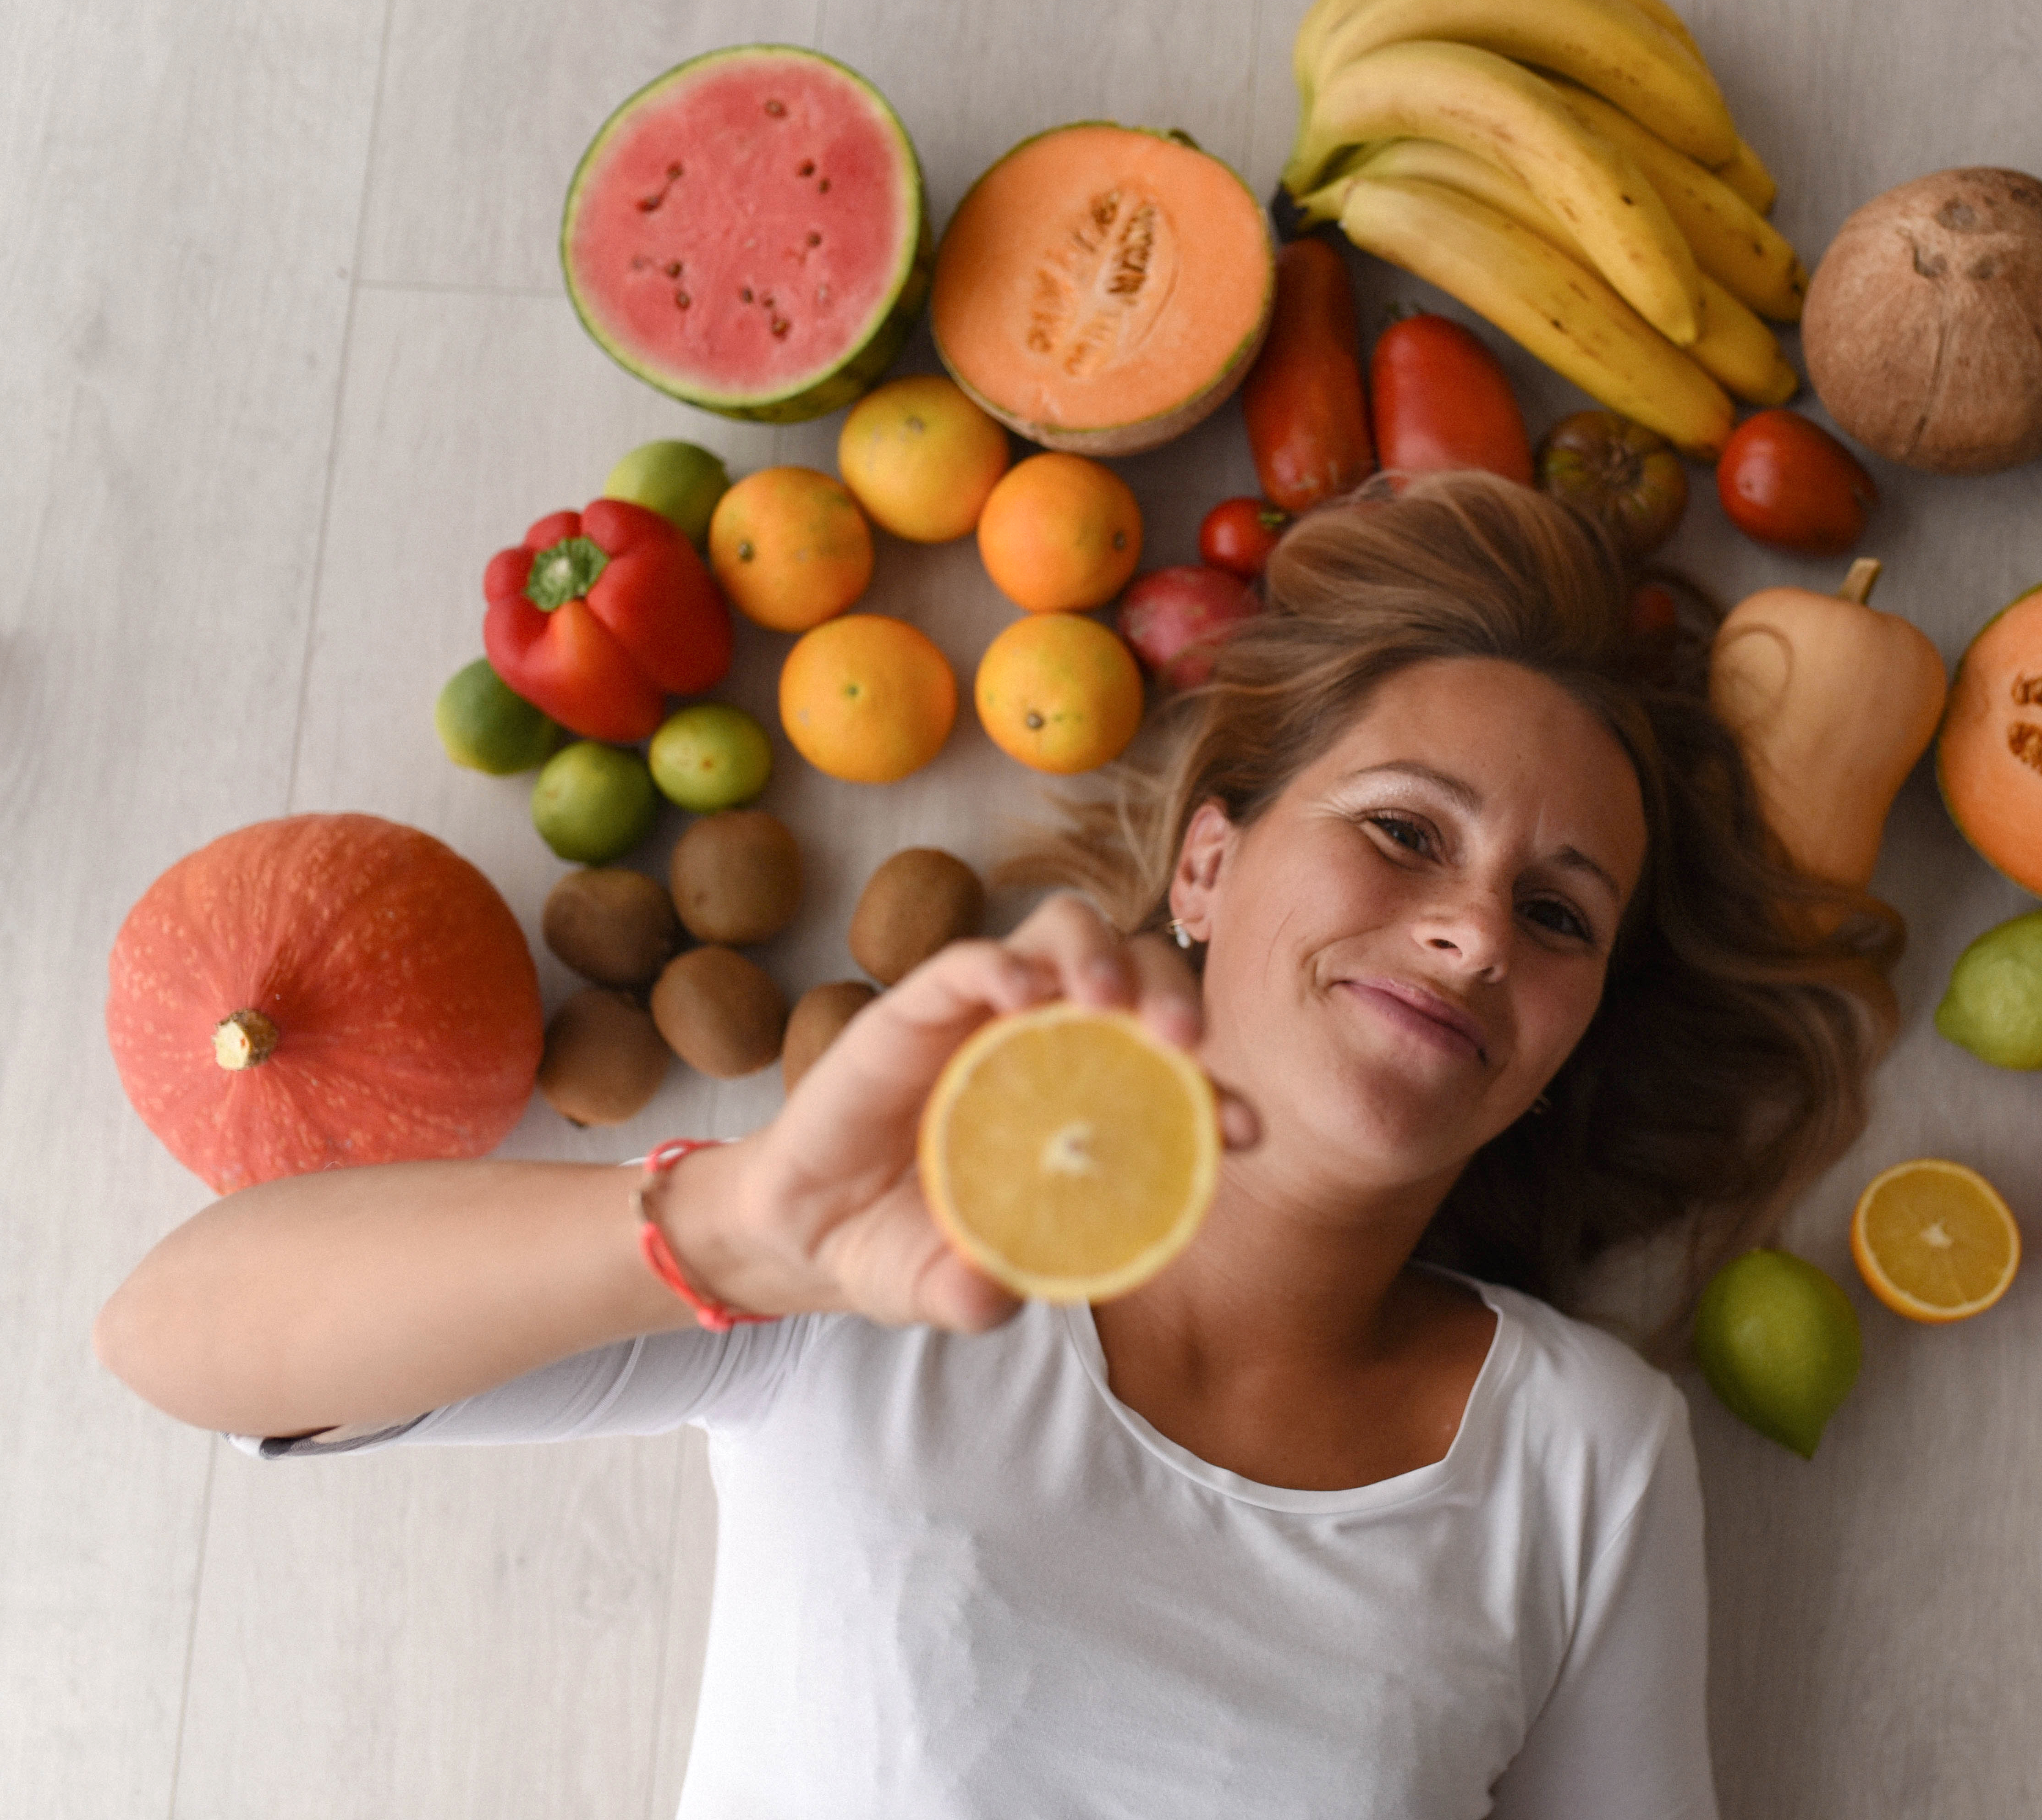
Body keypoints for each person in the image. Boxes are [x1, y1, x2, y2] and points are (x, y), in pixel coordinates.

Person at [95, 471, 1901, 1818]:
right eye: (1407, 832)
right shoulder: (881, 1227)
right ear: (1210, 861)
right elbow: (176, 1335)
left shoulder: (1583, 1450)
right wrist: (737, 1226)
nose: (1474, 933)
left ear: (1570, 1025)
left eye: (1559, 915)